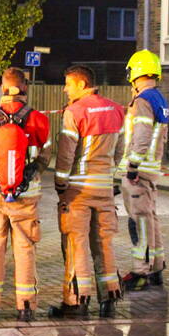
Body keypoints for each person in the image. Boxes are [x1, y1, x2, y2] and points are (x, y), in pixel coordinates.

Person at [0, 68, 52, 321]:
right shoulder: (38, 119)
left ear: (2, 89)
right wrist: (28, 177)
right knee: (25, 247)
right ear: (25, 89)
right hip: (26, 195)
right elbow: (45, 157)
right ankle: (26, 305)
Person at [52, 65, 125, 319]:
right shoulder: (117, 110)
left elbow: (66, 153)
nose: (65, 90)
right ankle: (109, 299)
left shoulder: (75, 112)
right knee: (104, 243)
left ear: (82, 85)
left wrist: (60, 183)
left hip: (78, 190)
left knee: (76, 243)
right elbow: (119, 152)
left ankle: (76, 302)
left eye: (68, 85)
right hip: (104, 188)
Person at [117, 49, 169, 291]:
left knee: (139, 222)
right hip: (151, 169)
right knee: (151, 219)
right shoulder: (159, 98)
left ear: (134, 72)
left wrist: (132, 166)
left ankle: (140, 272)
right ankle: (156, 267)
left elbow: (142, 134)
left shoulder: (142, 102)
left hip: (139, 171)